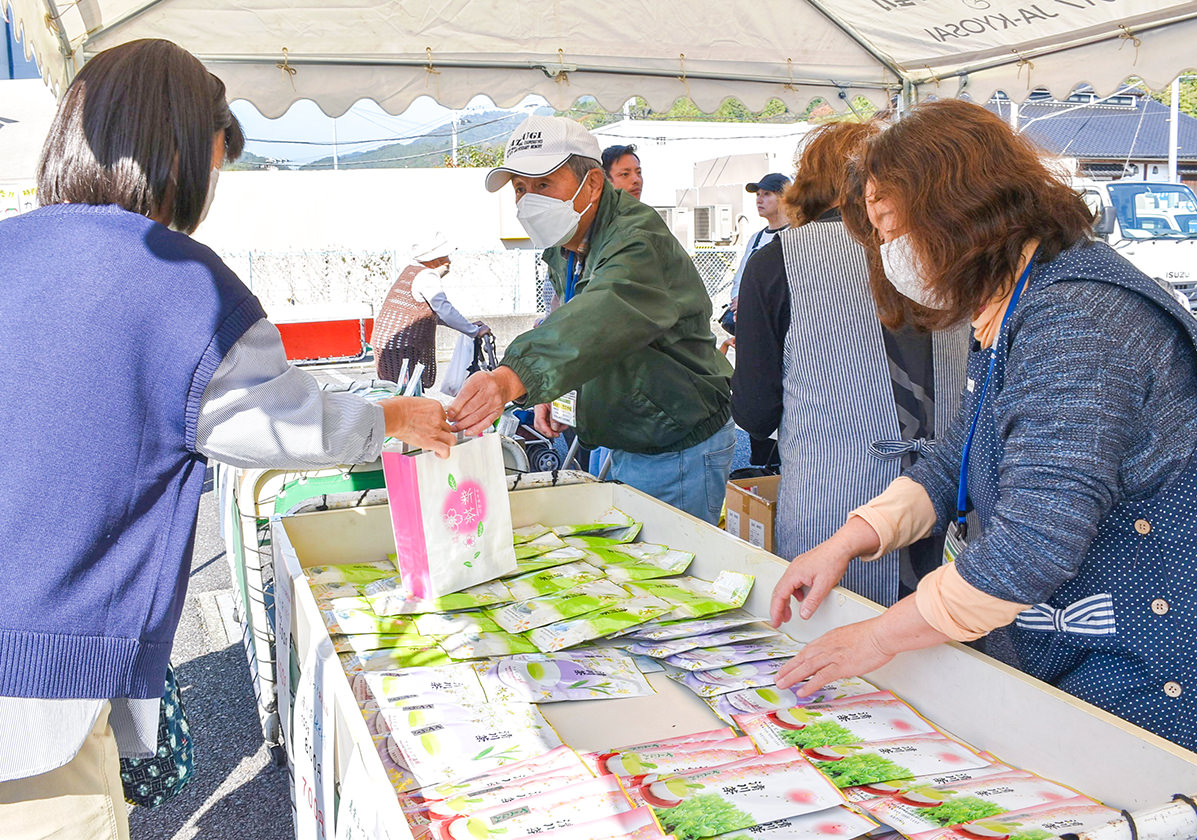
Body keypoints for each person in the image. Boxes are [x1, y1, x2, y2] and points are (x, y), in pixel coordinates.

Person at [0, 39, 455, 839]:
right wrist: (393, 418)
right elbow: (285, 425)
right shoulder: (179, 283)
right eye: (214, 163)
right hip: (40, 697)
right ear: (178, 149)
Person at [769, 98, 1197, 753]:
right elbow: (957, 456)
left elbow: (1037, 539)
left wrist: (880, 636)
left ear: (953, 210)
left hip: (1142, 669)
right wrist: (852, 540)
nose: (889, 255)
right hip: (1066, 642)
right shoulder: (1019, 298)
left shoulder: (1076, 319)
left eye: (891, 229)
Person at [448, 115, 735, 524]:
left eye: (543, 184)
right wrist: (554, 390)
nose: (529, 201)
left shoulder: (637, 239)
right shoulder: (567, 240)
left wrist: (513, 376)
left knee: (670, 572)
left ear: (593, 183)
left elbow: (604, 311)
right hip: (633, 429)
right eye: (520, 189)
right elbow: (572, 319)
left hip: (675, 439)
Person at [732, 121, 967, 606]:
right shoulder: (950, 250)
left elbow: (754, 412)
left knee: (842, 660)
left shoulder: (777, 262)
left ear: (811, 181)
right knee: (942, 647)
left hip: (832, 504)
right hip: (951, 501)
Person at [372, 232, 491, 389]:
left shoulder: (411, 271)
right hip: (401, 345)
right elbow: (444, 309)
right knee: (406, 394)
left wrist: (469, 326)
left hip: (387, 342)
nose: (448, 262)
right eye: (445, 257)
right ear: (436, 259)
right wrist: (473, 331)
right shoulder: (426, 276)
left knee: (398, 391)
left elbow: (428, 314)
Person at [723, 172, 792, 336]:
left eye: (767, 194)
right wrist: (738, 302)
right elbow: (740, 277)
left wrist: (750, 302)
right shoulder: (756, 238)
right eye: (758, 195)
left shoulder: (796, 234)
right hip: (754, 322)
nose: (759, 200)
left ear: (784, 198)